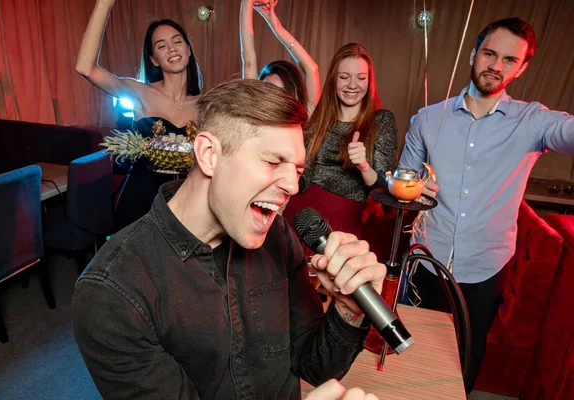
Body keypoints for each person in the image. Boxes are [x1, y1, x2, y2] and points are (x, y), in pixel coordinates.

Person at [71, 79, 387, 399]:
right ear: (209, 154)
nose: (293, 186)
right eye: (273, 161)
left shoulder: (278, 234)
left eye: (297, 169)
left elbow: (314, 365)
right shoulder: (112, 291)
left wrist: (348, 307)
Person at [398, 17, 574, 394]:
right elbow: (401, 183)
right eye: (490, 54)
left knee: (465, 359)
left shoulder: (534, 121)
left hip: (484, 269)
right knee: (411, 353)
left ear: (522, 68)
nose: (496, 65)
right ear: (473, 54)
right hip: (426, 259)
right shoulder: (428, 118)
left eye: (509, 60)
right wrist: (412, 186)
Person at [76, 0, 202, 231]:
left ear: (188, 49)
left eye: (177, 42)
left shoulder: (206, 104)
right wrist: (105, 4)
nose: (172, 49)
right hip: (140, 204)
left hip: (188, 206)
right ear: (153, 59)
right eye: (161, 46)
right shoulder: (140, 92)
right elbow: (86, 68)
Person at [283, 43, 397, 258]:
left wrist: (363, 165)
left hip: (342, 223)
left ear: (369, 81)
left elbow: (383, 187)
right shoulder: (320, 118)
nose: (352, 85)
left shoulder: (381, 121)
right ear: (334, 79)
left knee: (325, 287)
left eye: (361, 78)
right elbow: (304, 176)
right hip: (301, 216)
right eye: (344, 77)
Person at [240, 0, 320, 115]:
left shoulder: (305, 116)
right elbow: (248, 61)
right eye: (267, 91)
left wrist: (277, 27)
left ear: (294, 94)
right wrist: (247, 2)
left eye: (281, 92)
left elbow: (312, 69)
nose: (273, 98)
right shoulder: (255, 113)